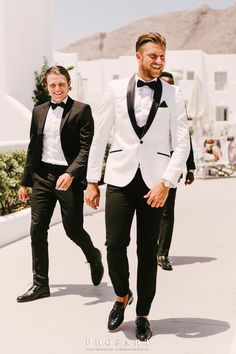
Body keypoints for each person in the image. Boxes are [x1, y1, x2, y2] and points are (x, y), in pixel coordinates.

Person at [85, 32, 190, 341]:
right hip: (119, 178)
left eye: (162, 57)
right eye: (153, 56)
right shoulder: (115, 89)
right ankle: (121, 295)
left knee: (147, 252)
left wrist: (167, 183)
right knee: (114, 245)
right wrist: (92, 181)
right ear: (139, 57)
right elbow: (100, 136)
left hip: (154, 185)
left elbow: (181, 144)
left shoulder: (174, 94)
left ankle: (143, 313)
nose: (159, 61)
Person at [17, 65, 104, 303]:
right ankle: (40, 284)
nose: (57, 89)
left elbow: (87, 148)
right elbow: (33, 148)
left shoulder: (82, 110)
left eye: (61, 84)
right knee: (37, 229)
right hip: (42, 177)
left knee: (73, 229)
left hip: (68, 178)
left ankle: (94, 256)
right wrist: (25, 182)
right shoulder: (38, 111)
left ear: (69, 85)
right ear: (47, 86)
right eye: (52, 85)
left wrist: (72, 173)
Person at [157, 72, 196, 271]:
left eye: (172, 84)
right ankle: (149, 249)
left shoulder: (178, 104)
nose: (169, 88)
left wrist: (190, 167)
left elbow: (185, 138)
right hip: (148, 165)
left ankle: (162, 254)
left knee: (166, 212)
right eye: (165, 84)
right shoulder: (147, 103)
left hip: (172, 165)